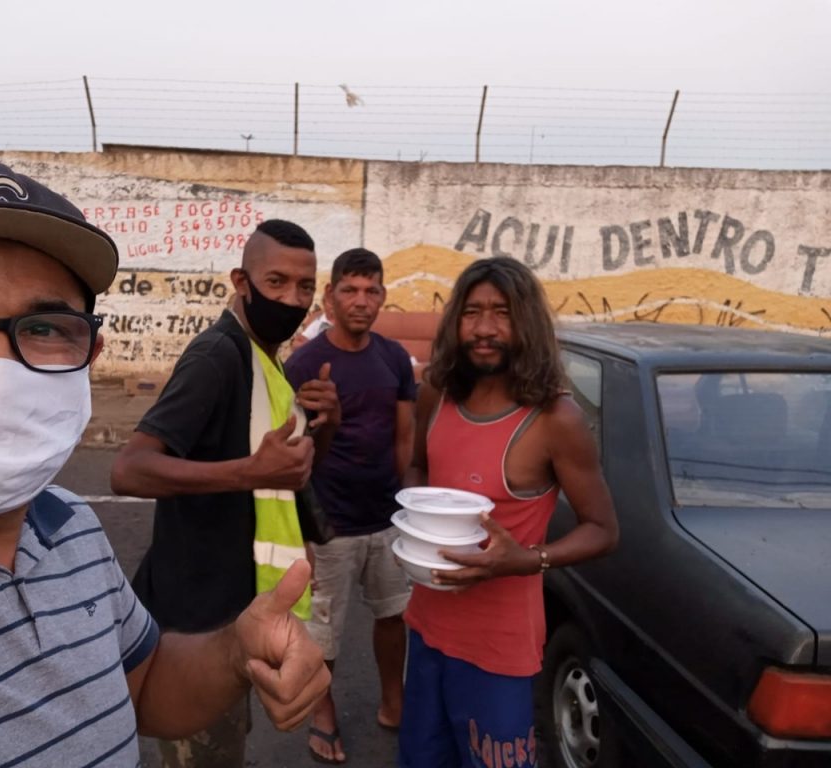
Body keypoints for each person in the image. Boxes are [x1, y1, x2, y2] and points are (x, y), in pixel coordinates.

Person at [0, 156, 330, 767]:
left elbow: (143, 691)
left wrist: (236, 651)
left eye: (46, 328)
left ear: (89, 356)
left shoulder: (71, 525)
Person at [111, 219, 341, 767]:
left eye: (304, 287)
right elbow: (129, 470)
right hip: (195, 620)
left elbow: (290, 475)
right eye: (276, 282)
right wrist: (249, 472)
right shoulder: (217, 356)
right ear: (242, 281)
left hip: (237, 607)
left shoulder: (266, 358)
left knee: (227, 742)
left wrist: (326, 424)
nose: (292, 299)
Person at [400, 257, 619, 768]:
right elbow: (416, 468)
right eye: (472, 312)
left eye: (502, 313)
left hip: (499, 648)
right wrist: (414, 529)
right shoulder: (437, 393)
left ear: (527, 322)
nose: (484, 328)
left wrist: (526, 559)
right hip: (426, 626)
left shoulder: (555, 418)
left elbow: (603, 529)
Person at [285, 248, 416, 764]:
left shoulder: (393, 359)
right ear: (330, 297)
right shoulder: (303, 364)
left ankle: (394, 701)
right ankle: (323, 713)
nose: (361, 301)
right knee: (324, 636)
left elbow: (404, 437)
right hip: (330, 525)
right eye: (350, 290)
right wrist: (300, 530)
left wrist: (406, 508)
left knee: (393, 616)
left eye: (371, 290)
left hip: (386, 521)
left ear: (382, 297)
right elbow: (289, 450)